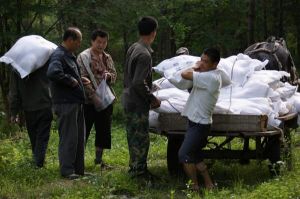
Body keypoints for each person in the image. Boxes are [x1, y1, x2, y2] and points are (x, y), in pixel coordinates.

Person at [47, 27, 90, 180]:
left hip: (76, 102)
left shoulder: (69, 56)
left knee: (79, 137)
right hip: (66, 103)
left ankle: (78, 170)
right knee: (69, 137)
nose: (80, 44)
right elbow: (53, 73)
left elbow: (68, 73)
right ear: (70, 40)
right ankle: (67, 170)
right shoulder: (58, 55)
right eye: (78, 41)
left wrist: (79, 80)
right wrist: (70, 80)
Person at [122, 16, 161, 180]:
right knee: (141, 139)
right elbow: (138, 82)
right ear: (153, 32)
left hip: (128, 99)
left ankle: (135, 168)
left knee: (133, 136)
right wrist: (152, 98)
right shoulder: (144, 54)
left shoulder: (134, 47)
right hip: (137, 103)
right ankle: (139, 173)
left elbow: (132, 77)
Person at [178, 48, 221, 191]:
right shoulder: (208, 75)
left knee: (184, 155)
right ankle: (209, 185)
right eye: (201, 59)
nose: (201, 63)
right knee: (195, 155)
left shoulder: (211, 78)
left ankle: (195, 187)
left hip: (199, 125)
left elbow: (184, 74)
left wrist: (195, 67)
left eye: (205, 61)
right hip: (196, 123)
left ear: (215, 64)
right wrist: (201, 67)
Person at [77, 29, 117, 168]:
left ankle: (99, 160)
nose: (101, 45)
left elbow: (114, 74)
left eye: (104, 42)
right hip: (88, 101)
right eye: (99, 42)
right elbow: (82, 77)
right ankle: (78, 161)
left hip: (105, 99)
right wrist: (93, 96)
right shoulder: (83, 57)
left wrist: (109, 76)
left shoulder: (107, 57)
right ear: (92, 41)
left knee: (103, 130)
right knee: (84, 130)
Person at [9, 64, 53, 168]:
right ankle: (38, 162)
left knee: (33, 136)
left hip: (28, 107)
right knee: (42, 136)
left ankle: (37, 161)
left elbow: (14, 92)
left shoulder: (17, 67)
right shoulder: (43, 62)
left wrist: (14, 111)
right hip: (44, 103)